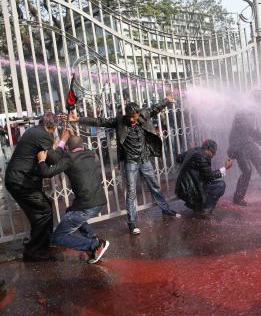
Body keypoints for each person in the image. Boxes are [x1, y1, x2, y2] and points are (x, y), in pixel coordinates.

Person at [66, 94, 181, 235]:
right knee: (131, 193)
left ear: (138, 114)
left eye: (135, 116)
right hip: (131, 162)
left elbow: (155, 108)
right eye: (130, 117)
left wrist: (167, 100)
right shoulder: (120, 121)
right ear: (127, 115)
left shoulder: (143, 115)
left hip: (144, 160)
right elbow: (100, 121)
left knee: (154, 186)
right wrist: (78, 119)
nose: (133, 119)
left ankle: (165, 210)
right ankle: (132, 223)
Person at [36, 133, 110, 264]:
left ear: (68, 148)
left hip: (86, 205)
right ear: (82, 145)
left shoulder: (69, 158)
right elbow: (72, 147)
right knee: (70, 212)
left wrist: (42, 160)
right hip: (99, 201)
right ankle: (92, 237)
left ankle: (95, 245)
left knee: (57, 237)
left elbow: (47, 172)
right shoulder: (90, 153)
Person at [4, 112, 67, 261]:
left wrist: (53, 146)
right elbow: (54, 158)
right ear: (50, 126)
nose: (54, 132)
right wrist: (63, 142)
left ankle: (42, 245)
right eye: (54, 128)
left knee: (41, 210)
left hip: (20, 180)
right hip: (21, 181)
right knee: (43, 211)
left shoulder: (35, 132)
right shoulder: (43, 134)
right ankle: (34, 251)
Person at [227, 109, 261, 206]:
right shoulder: (241, 113)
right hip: (239, 147)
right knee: (247, 171)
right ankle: (238, 198)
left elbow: (250, 131)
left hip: (248, 144)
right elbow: (244, 132)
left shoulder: (249, 113)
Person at [175, 139, 232, 216]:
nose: (213, 155)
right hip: (189, 190)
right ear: (207, 149)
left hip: (181, 188)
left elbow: (178, 158)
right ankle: (206, 210)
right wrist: (225, 168)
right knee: (220, 185)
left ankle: (197, 207)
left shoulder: (194, 151)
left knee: (204, 183)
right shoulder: (202, 157)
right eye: (213, 152)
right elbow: (210, 176)